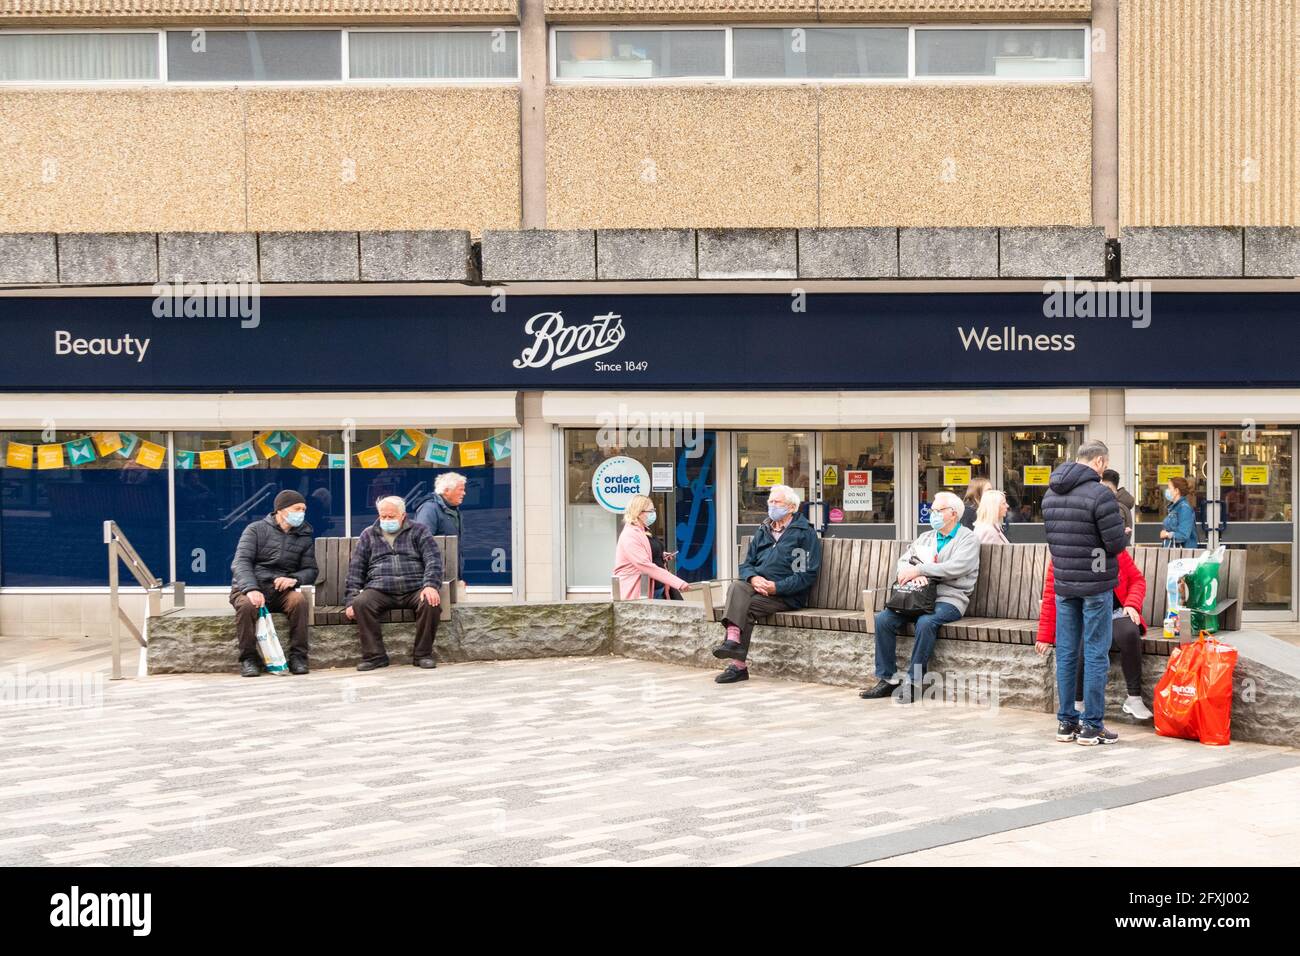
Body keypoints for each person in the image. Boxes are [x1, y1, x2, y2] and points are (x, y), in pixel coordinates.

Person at [1042, 440, 1128, 745]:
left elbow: (1056, 539)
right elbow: (1115, 544)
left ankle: (1066, 722)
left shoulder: (1051, 493)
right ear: (1101, 462)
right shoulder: (1101, 495)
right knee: (1094, 652)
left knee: (1066, 652)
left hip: (1065, 582)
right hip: (1095, 585)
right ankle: (1092, 725)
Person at [861, 491, 980, 703]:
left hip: (949, 598)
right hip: (916, 596)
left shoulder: (968, 539)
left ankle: (913, 682)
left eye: (937, 510)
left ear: (953, 514)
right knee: (883, 620)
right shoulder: (926, 537)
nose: (932, 514)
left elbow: (956, 567)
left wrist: (921, 571)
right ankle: (887, 679)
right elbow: (904, 562)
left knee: (926, 622)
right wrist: (913, 575)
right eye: (932, 510)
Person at [711, 485, 820, 685]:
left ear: (791, 507)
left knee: (745, 609)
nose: (771, 505)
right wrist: (753, 578)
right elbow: (746, 564)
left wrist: (776, 587)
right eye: (770, 501)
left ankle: (738, 666)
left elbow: (806, 574)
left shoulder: (804, 533)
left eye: (776, 502)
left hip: (785, 596)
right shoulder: (763, 529)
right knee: (737, 586)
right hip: (757, 589)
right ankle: (733, 641)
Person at [345, 496, 444, 672]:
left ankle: (423, 654)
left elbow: (433, 560)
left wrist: (430, 585)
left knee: (431, 603)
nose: (386, 520)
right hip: (380, 589)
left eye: (391, 517)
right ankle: (375, 657)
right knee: (361, 603)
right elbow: (356, 569)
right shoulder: (368, 534)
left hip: (414, 588)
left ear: (403, 515)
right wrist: (351, 599)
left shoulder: (419, 531)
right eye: (383, 517)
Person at [229, 490, 318, 677]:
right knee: (246, 607)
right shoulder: (255, 530)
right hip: (250, 588)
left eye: (303, 509)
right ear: (281, 510)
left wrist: (294, 579)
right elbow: (241, 562)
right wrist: (251, 589)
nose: (301, 513)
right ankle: (248, 659)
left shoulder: (304, 536)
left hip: (281, 591)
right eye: (297, 508)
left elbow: (311, 570)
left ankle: (298, 657)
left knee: (299, 602)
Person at [613, 494, 689, 600]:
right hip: (639, 591)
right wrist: (678, 582)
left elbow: (647, 552)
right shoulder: (630, 535)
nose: (654, 513)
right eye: (651, 510)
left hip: (657, 589)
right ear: (639, 513)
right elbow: (644, 565)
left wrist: (661, 555)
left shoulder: (643, 530)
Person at [413, 472, 467, 580]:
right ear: (447, 491)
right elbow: (422, 543)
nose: (464, 493)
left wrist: (459, 577)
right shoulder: (429, 509)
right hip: (435, 578)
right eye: (460, 489)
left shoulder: (452, 509)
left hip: (450, 575)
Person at [1159, 475, 1199, 549]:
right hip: (1174, 551)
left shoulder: (1184, 508)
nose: (1167, 491)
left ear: (1176, 491)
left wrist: (1167, 534)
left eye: (1169, 488)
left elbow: (1183, 535)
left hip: (1182, 554)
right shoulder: (1174, 507)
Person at [1100, 469, 1134, 540]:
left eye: (1101, 486)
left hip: (1117, 549)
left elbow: (1117, 533)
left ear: (1108, 487)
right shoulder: (1120, 502)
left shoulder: (1116, 506)